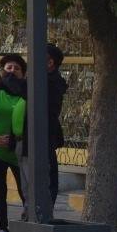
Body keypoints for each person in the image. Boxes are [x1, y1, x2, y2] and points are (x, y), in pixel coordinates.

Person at [0, 54, 27, 232]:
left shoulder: (25, 94)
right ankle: (2, 228)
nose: (12, 71)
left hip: (19, 152)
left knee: (25, 189)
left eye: (16, 68)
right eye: (8, 68)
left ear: (23, 74)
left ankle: (28, 226)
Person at [45, 43, 68, 207]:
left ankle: (47, 207)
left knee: (48, 172)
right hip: (42, 132)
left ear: (50, 62)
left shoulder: (52, 82)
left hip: (46, 132)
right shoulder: (46, 78)